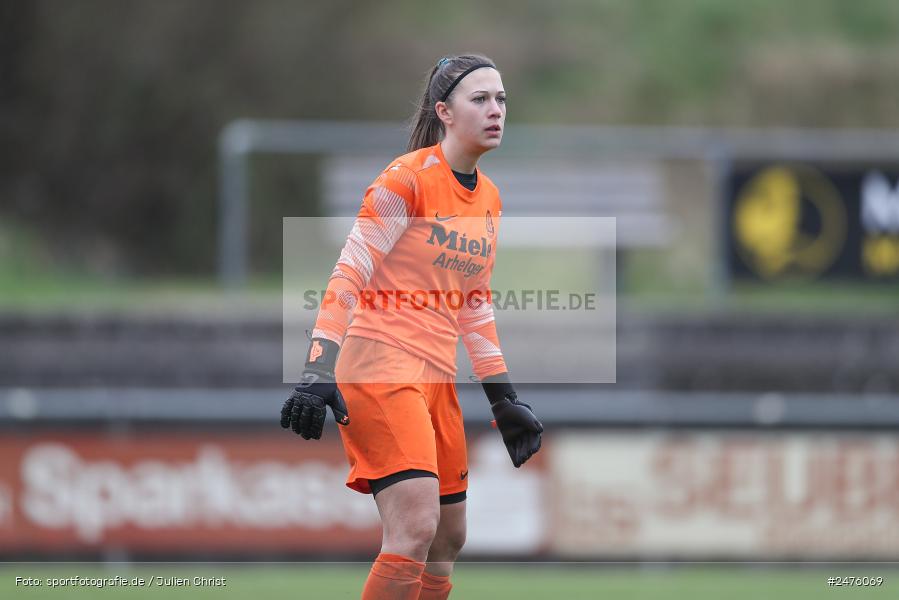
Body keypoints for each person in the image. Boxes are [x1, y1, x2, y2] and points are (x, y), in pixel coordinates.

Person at [281, 54, 543, 600]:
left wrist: (502, 397)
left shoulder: (489, 199)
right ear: (444, 112)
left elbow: (473, 302)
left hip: (435, 375)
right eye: (481, 100)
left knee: (449, 538)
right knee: (415, 527)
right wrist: (316, 369)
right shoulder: (407, 180)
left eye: (502, 100)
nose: (496, 111)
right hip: (379, 364)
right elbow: (347, 273)